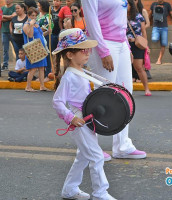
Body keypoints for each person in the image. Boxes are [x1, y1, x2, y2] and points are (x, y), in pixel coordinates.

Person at [52, 28, 117, 200]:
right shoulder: (69, 77)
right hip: (78, 119)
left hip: (87, 119)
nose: (87, 52)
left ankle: (69, 190)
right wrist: (71, 118)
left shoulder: (82, 71)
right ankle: (100, 193)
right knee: (96, 156)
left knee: (83, 157)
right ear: (69, 55)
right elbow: (57, 101)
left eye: (87, 49)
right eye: (82, 49)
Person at [82, 0, 147, 161]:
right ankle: (91, 147)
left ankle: (122, 145)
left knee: (125, 94)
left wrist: (127, 46)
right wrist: (103, 51)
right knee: (103, 96)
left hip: (121, 43)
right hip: (103, 42)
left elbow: (121, 19)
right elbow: (91, 20)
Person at [127, 0, 151, 96]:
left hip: (136, 44)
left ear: (131, 5)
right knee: (125, 67)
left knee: (139, 67)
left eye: (127, 4)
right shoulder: (120, 16)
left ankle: (146, 88)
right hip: (124, 44)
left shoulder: (138, 16)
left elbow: (143, 32)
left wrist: (146, 46)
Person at [23, 7, 49, 92]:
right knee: (33, 69)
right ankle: (28, 86)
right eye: (32, 15)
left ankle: (42, 86)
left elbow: (39, 35)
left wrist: (47, 32)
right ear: (28, 15)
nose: (34, 17)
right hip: (32, 49)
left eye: (35, 16)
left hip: (40, 48)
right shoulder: (26, 25)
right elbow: (30, 35)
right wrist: (31, 24)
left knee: (42, 67)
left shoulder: (36, 24)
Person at [149, 0, 172, 65]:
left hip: (164, 27)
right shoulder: (153, 4)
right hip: (156, 27)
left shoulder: (167, 4)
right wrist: (146, 22)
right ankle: (159, 37)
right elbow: (149, 14)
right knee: (154, 39)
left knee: (163, 44)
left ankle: (159, 60)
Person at [134, 0, 152, 80]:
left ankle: (140, 76)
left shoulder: (142, 11)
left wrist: (141, 28)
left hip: (140, 38)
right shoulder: (127, 11)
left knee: (140, 59)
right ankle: (133, 76)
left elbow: (148, 23)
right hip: (131, 38)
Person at [37, 0, 54, 82]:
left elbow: (49, 27)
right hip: (39, 38)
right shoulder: (38, 15)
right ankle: (41, 75)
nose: (38, 7)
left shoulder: (48, 15)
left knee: (47, 56)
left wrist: (39, 30)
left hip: (46, 37)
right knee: (41, 56)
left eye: (39, 6)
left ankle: (48, 74)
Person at [1, 0, 16, 71]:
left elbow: (13, 17)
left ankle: (19, 64)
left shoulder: (15, 7)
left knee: (16, 48)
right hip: (4, 31)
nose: (7, 0)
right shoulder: (2, 8)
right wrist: (9, 17)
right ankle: (5, 64)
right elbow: (1, 19)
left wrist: (3, 16)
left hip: (13, 32)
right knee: (5, 49)